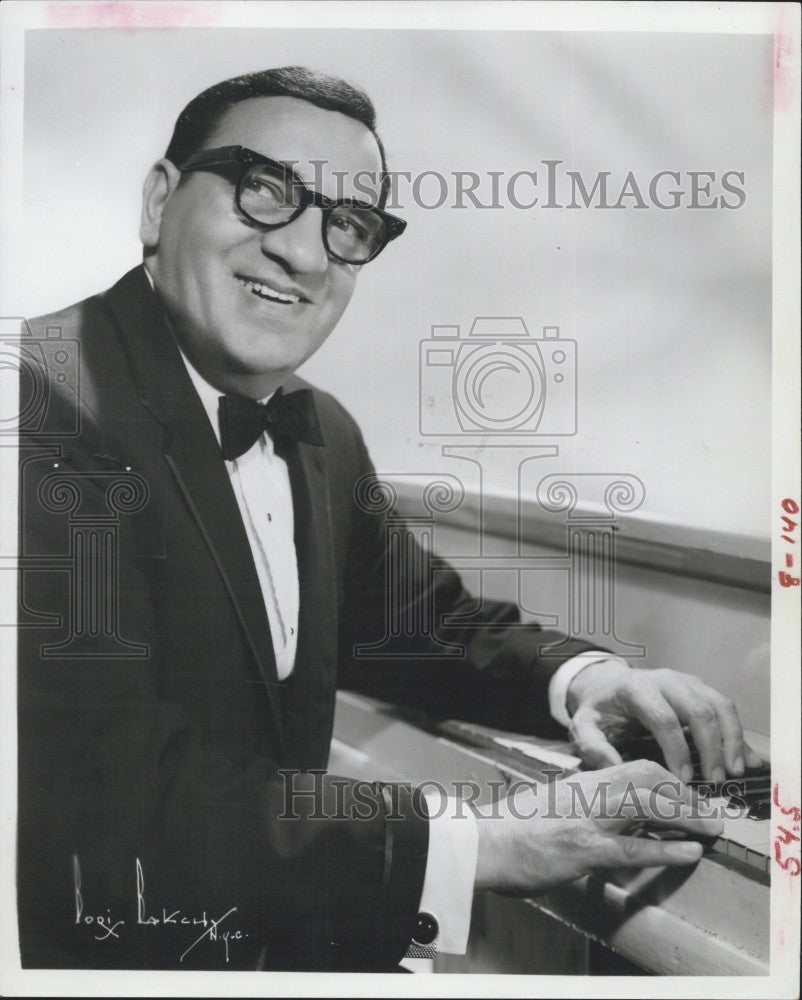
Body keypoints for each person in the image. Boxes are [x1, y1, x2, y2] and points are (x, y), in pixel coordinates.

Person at [16, 66, 758, 972]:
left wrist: (585, 680)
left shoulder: (320, 428)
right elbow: (112, 801)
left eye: (348, 223)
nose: (305, 253)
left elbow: (421, 625)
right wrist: (489, 843)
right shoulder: (38, 405)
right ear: (159, 201)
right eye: (265, 191)